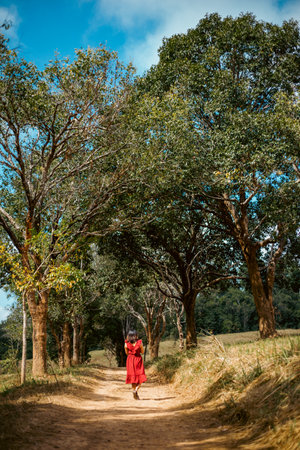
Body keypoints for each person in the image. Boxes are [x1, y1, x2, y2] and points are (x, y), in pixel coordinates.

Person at [124, 330, 147, 399]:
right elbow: (142, 352)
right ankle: (136, 390)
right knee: (140, 376)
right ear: (135, 336)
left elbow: (127, 353)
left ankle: (134, 391)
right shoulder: (139, 343)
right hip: (138, 360)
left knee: (132, 377)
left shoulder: (126, 344)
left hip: (130, 360)